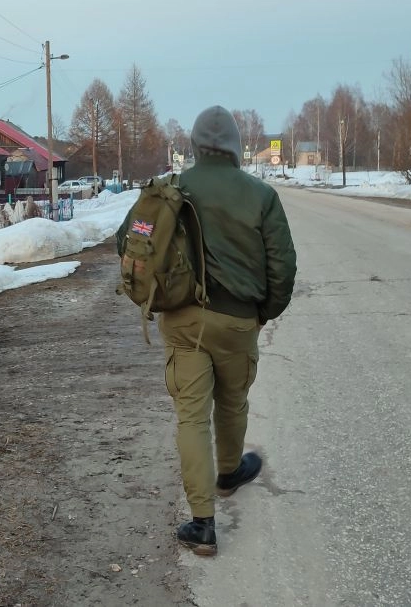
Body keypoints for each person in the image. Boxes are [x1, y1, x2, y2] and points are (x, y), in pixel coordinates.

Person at [118, 105, 297, 556]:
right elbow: (284, 266)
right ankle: (230, 472)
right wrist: (264, 313)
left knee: (191, 417)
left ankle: (202, 525)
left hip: (182, 321)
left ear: (195, 148)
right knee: (233, 400)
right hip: (238, 321)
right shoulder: (261, 195)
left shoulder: (170, 190)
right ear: (236, 149)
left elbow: (127, 241)